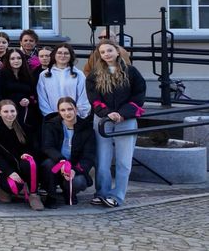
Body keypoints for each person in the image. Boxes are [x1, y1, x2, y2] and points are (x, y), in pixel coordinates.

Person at [85, 40, 147, 207]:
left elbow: (138, 96)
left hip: (126, 120)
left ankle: (117, 195)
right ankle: (102, 192)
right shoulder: (95, 75)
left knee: (123, 161)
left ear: (117, 52)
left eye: (109, 50)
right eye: (103, 52)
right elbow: (94, 99)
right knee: (102, 160)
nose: (106, 54)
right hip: (103, 120)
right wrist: (107, 113)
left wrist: (122, 114)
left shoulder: (131, 72)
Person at [0, 100, 44, 210]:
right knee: (11, 191)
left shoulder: (24, 128)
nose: (9, 114)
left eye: (12, 111)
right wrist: (9, 172)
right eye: (5, 111)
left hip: (21, 165)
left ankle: (34, 194)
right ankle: (2, 188)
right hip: (5, 168)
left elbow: (33, 147)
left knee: (29, 163)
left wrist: (27, 154)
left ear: (17, 112)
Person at [41, 97, 96, 208]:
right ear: (59, 112)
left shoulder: (87, 128)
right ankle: (51, 195)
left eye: (70, 109)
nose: (67, 113)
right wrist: (61, 161)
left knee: (79, 182)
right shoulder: (51, 125)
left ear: (75, 109)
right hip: (57, 163)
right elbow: (48, 147)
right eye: (63, 110)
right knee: (47, 165)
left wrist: (74, 170)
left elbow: (88, 156)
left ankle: (69, 192)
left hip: (75, 167)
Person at [0, 49, 41, 140]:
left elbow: (33, 95)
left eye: (19, 58)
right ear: (8, 60)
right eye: (12, 58)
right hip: (7, 114)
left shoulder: (29, 75)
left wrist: (29, 100)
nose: (16, 61)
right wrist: (17, 103)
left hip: (26, 114)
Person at [37, 43, 90, 123]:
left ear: (71, 56)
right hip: (53, 120)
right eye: (59, 53)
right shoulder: (44, 75)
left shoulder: (79, 74)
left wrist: (76, 115)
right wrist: (51, 116)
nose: (63, 55)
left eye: (66, 53)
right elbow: (42, 98)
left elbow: (84, 97)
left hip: (75, 119)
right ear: (54, 55)